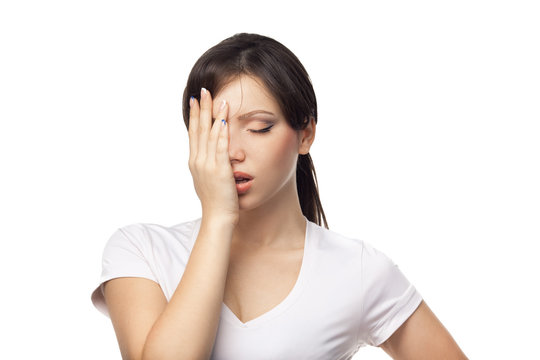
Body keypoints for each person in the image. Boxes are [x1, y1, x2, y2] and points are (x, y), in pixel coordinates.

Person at [91, 33, 468, 360]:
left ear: (305, 134)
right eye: (213, 128)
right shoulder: (141, 250)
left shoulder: (358, 271)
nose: (232, 150)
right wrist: (218, 218)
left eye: (258, 128)